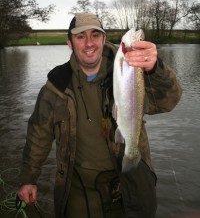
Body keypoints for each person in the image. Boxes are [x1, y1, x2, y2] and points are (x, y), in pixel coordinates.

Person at [17, 13, 182, 218]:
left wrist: (154, 69)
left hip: (129, 182)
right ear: (69, 43)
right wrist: (28, 178)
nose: (89, 43)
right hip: (78, 186)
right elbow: (38, 136)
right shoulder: (55, 87)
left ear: (104, 39)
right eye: (80, 37)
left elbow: (169, 101)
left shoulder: (132, 69)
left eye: (95, 35)